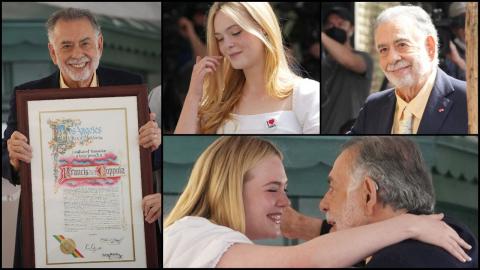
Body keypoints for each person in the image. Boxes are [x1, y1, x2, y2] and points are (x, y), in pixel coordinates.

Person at [1, 8, 161, 266]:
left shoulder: (130, 87)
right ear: (53, 52)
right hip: (50, 235)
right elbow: (6, 157)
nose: (77, 54)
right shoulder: (28, 96)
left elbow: (149, 161)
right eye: (66, 46)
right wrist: (13, 157)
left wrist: (154, 143)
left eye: (85, 43)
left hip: (119, 234)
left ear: (99, 45)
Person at [163, 136, 472, 267]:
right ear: (228, 187)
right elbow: (300, 262)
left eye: (285, 188)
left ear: (368, 194)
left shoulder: (404, 259)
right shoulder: (191, 233)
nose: (285, 201)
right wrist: (407, 225)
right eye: (273, 189)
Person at [281, 137, 477, 267]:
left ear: (368, 195)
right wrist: (301, 226)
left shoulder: (394, 261)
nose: (323, 204)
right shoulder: (453, 233)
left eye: (332, 188)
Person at [174, 2, 319, 134]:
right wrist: (193, 95)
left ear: (263, 29)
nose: (227, 44)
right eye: (220, 39)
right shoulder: (217, 102)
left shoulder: (306, 93)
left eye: (236, 32)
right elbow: (180, 153)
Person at [350, 5, 467, 134]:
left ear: (429, 47)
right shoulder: (373, 107)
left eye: (402, 45)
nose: (392, 58)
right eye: (383, 49)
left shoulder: (469, 100)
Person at [321, 6, 373, 134]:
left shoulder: (363, 58)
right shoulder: (322, 64)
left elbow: (348, 61)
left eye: (340, 24)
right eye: (330, 24)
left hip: (351, 132)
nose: (335, 27)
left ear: (351, 29)